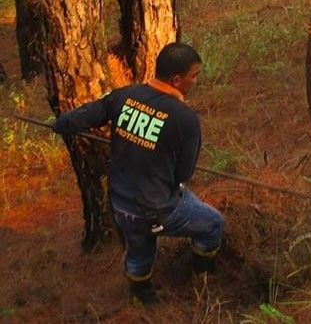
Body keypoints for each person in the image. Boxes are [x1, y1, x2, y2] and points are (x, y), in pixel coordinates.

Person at [54, 42, 224, 305]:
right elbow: (184, 173)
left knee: (138, 253)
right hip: (157, 209)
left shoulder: (125, 95)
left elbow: (86, 115)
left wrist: (60, 124)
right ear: (177, 79)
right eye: (194, 75)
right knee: (213, 224)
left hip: (120, 204)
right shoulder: (185, 119)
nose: (196, 81)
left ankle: (142, 296)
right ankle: (201, 274)